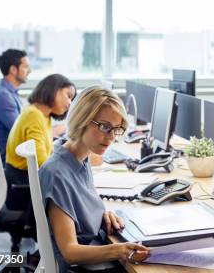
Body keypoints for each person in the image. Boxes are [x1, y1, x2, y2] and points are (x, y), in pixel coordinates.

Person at [39, 86, 150, 271]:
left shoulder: (80, 157)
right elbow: (70, 251)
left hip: (94, 250)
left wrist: (101, 214)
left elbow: (79, 206)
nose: (111, 137)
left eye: (117, 129)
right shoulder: (57, 173)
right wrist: (119, 250)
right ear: (81, 120)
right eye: (105, 127)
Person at [4, 74, 76, 212]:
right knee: (70, 186)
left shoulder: (42, 115)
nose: (69, 103)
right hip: (22, 185)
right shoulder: (34, 115)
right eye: (68, 95)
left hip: (25, 179)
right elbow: (43, 163)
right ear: (54, 89)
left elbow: (47, 153)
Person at [0, 49, 31, 163]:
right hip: (11, 161)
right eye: (26, 67)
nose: (30, 71)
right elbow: (21, 132)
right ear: (13, 69)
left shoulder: (8, 93)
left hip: (13, 155)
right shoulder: (3, 97)